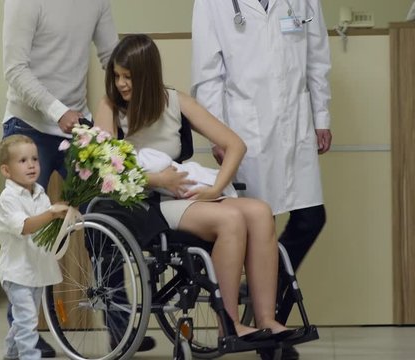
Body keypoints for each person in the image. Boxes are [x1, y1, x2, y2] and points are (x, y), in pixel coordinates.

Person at [94, 33, 304, 343]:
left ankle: (266, 319)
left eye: (129, 76)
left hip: (187, 195)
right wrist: (158, 180)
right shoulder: (111, 107)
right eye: (117, 76)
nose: (122, 84)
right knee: (231, 220)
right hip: (149, 203)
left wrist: (215, 187)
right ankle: (229, 324)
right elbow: (106, 174)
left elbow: (235, 144)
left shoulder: (177, 101)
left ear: (147, 75)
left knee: (260, 212)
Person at [1, 0, 150, 355]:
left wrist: (143, 87)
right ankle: (24, 338)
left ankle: (120, 327)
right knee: (30, 233)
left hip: (76, 123)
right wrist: (57, 111)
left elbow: (111, 56)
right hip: (29, 124)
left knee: (104, 217)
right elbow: (15, 70)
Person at [191, 1, 332, 358]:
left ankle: (265, 306)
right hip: (245, 130)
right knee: (260, 223)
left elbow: (316, 55)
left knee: (311, 218)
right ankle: (270, 336)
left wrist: (322, 116)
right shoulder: (212, 4)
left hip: (296, 122)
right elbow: (208, 74)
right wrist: (218, 134)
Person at [0, 135, 69, 360]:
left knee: (25, 318)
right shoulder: (8, 199)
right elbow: (25, 226)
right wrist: (51, 213)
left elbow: (47, 225)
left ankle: (11, 351)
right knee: (27, 319)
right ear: (7, 171)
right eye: (23, 160)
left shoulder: (39, 193)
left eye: (35, 159)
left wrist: (62, 217)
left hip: (36, 269)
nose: (31, 165)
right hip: (17, 272)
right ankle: (29, 356)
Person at [137, 147, 238, 198]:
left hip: (189, 175)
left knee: (253, 210)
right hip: (182, 197)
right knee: (231, 218)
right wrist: (160, 179)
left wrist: (215, 190)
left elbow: (236, 145)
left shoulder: (143, 154)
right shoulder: (128, 173)